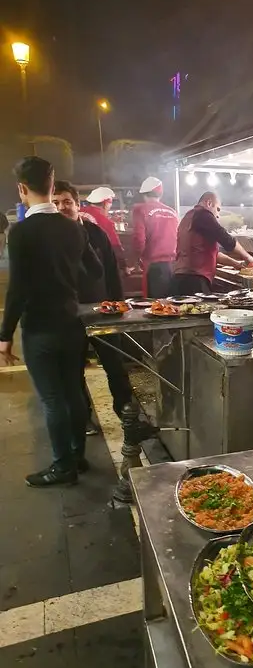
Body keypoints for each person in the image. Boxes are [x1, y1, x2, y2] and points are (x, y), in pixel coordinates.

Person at [0, 157, 102, 486]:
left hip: (40, 328)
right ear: (52, 182)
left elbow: (17, 290)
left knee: (52, 399)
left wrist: (4, 335)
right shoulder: (73, 228)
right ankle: (77, 456)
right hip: (72, 324)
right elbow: (94, 272)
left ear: (22, 189)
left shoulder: (21, 232)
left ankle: (62, 467)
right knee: (72, 391)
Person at [53, 180, 134, 432]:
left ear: (78, 205)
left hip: (102, 311)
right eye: (55, 203)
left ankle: (127, 413)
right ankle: (83, 417)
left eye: (67, 201)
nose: (62, 207)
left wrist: (119, 303)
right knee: (73, 371)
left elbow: (110, 270)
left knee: (115, 366)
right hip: (69, 315)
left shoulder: (96, 233)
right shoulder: (49, 238)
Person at [171, 192, 253, 295]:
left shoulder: (188, 217)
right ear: (209, 203)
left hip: (181, 278)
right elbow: (226, 239)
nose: (218, 215)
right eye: (218, 209)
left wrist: (237, 264)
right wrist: (248, 257)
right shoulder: (202, 215)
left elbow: (214, 253)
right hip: (194, 280)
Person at [132, 176, 178, 298]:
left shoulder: (140, 209)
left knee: (154, 307)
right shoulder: (172, 212)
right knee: (169, 305)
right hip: (173, 266)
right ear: (160, 194)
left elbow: (139, 239)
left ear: (144, 194)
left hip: (153, 266)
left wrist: (137, 260)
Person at [80, 186, 127, 270]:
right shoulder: (105, 221)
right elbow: (115, 246)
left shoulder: (78, 211)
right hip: (95, 263)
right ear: (105, 203)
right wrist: (124, 266)